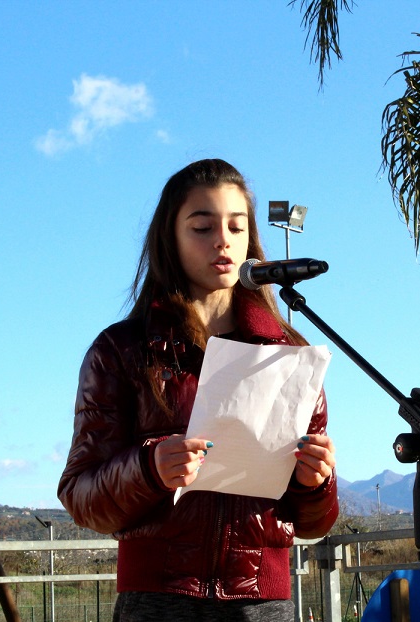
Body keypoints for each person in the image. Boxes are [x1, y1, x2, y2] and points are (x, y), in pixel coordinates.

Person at [57, 158, 338, 621]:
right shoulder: (121, 350)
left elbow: (313, 523)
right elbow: (80, 495)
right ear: (170, 238)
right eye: (203, 227)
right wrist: (148, 469)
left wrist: (317, 482)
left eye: (236, 226)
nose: (223, 240)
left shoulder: (288, 354)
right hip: (158, 600)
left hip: (263, 603)